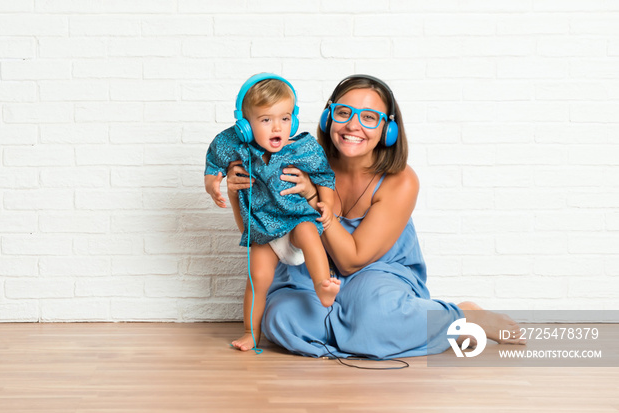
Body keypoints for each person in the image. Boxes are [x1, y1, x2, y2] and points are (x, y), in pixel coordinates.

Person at [224, 74, 526, 359]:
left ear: (387, 129)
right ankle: (361, 335)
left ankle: (458, 316)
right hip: (312, 276)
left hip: (376, 273)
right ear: (329, 118)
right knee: (282, 318)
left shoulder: (401, 181)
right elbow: (257, 233)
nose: (353, 125)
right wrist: (238, 193)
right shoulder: (301, 161)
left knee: (375, 315)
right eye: (344, 113)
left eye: (369, 118)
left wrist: (313, 198)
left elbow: (351, 259)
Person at [204, 73, 340, 352]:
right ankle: (250, 333)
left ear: (295, 119)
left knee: (308, 234)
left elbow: (324, 175)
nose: (277, 126)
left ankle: (323, 286)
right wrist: (212, 183)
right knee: (257, 278)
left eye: (285, 118)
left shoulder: (303, 147)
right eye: (266, 120)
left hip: (295, 220)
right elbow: (214, 159)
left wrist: (324, 202)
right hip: (263, 229)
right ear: (245, 124)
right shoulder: (236, 144)